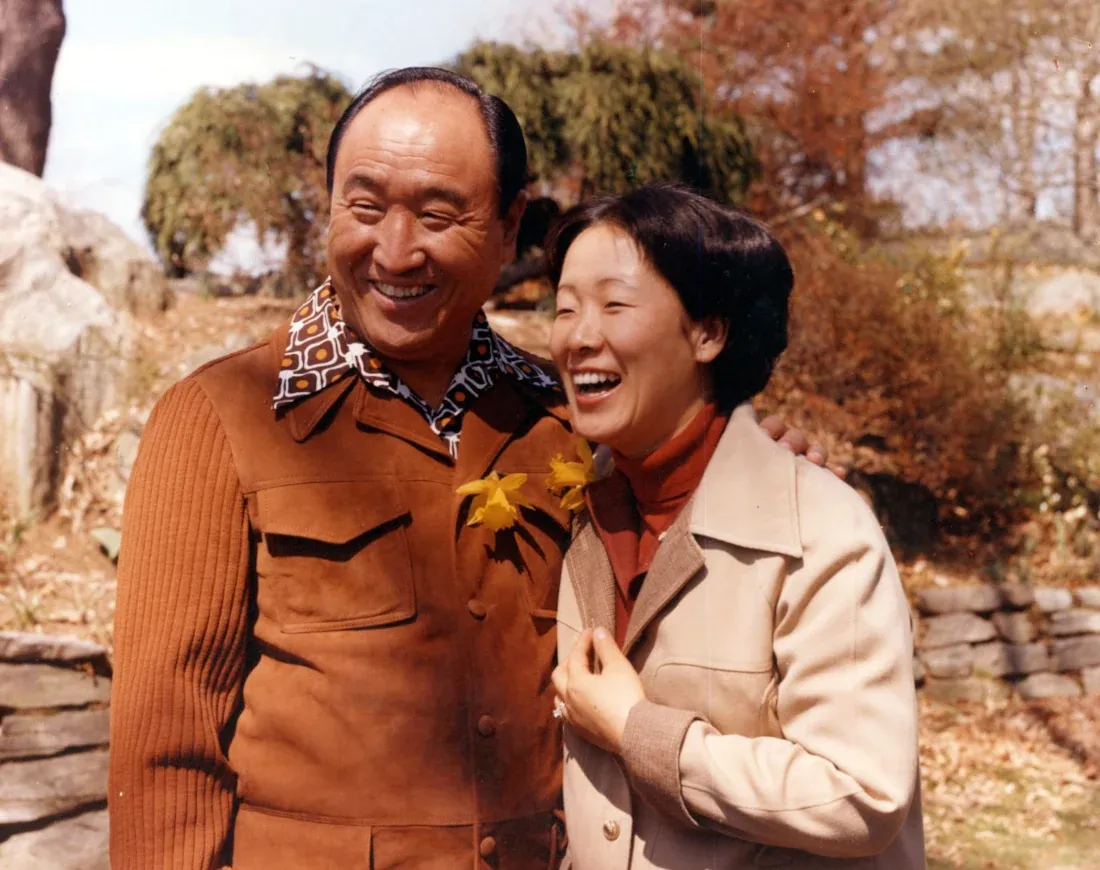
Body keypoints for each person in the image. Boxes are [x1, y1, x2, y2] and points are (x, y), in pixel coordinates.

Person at [109, 68, 827, 870]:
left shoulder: (571, 419)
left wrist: (753, 481)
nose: (394, 251)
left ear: (510, 225)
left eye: (438, 215)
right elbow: (167, 746)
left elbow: (681, 606)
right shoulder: (223, 417)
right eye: (365, 207)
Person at [547, 185, 925, 870]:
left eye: (614, 305)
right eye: (565, 308)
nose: (578, 337)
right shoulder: (575, 509)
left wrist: (637, 731)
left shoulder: (822, 531)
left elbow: (863, 794)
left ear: (708, 333)